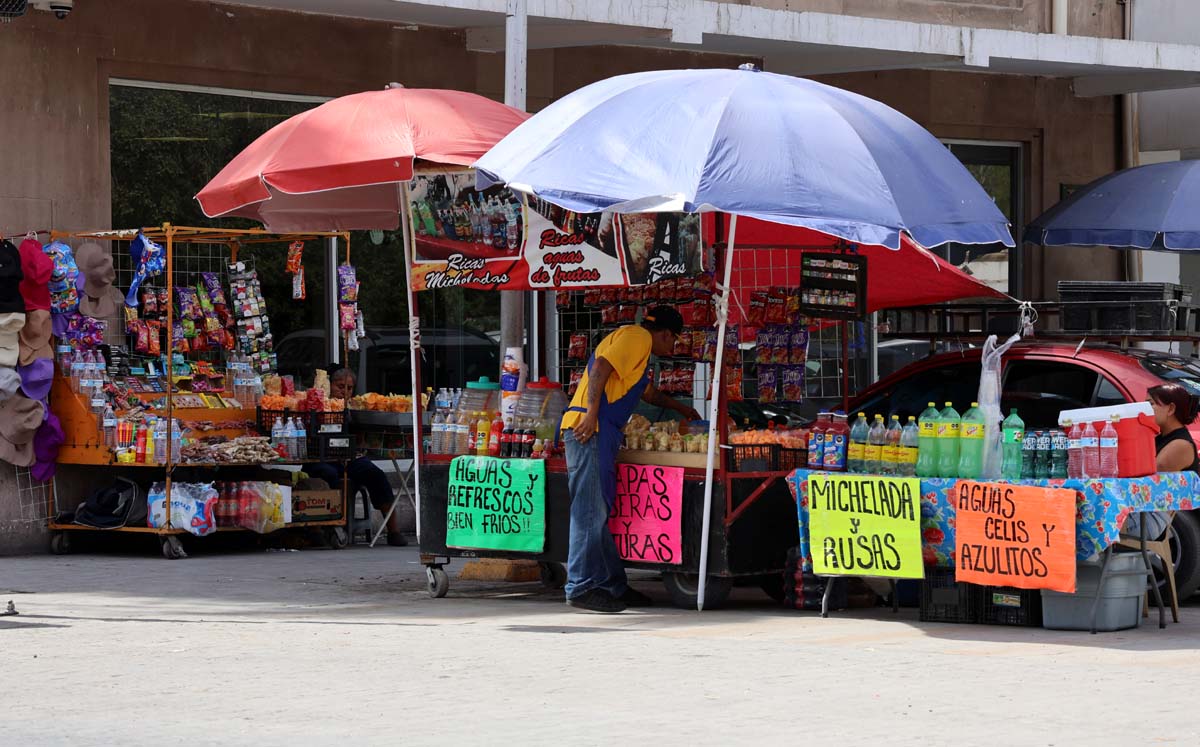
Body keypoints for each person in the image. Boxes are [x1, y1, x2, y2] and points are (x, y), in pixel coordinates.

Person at [560, 306, 701, 613]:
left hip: (602, 433)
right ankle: (580, 586)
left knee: (600, 511)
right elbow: (600, 368)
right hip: (590, 430)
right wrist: (592, 414)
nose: (673, 348)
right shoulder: (637, 337)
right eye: (674, 341)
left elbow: (648, 393)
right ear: (665, 333)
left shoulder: (639, 351)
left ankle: (613, 585)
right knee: (589, 513)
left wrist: (682, 409)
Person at [307, 368, 407, 546]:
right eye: (340, 386)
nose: (344, 391)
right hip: (321, 457)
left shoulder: (352, 407)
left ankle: (393, 530)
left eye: (349, 388)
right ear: (330, 385)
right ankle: (318, 529)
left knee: (374, 474)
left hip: (349, 457)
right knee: (325, 474)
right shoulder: (317, 405)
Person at [1129, 383, 1200, 540]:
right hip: (1137, 511)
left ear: (1171, 409)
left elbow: (1144, 479)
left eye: (1151, 404)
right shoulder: (1160, 437)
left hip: (1149, 520)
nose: (1144, 410)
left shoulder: (1180, 445)